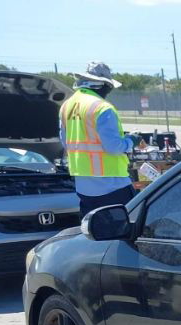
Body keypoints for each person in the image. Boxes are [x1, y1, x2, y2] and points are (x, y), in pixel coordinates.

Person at [59, 62, 141, 216]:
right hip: (112, 184)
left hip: (83, 185)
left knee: (94, 232)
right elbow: (114, 146)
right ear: (101, 85)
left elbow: (65, 142)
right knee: (122, 230)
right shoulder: (102, 107)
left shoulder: (66, 106)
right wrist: (131, 141)